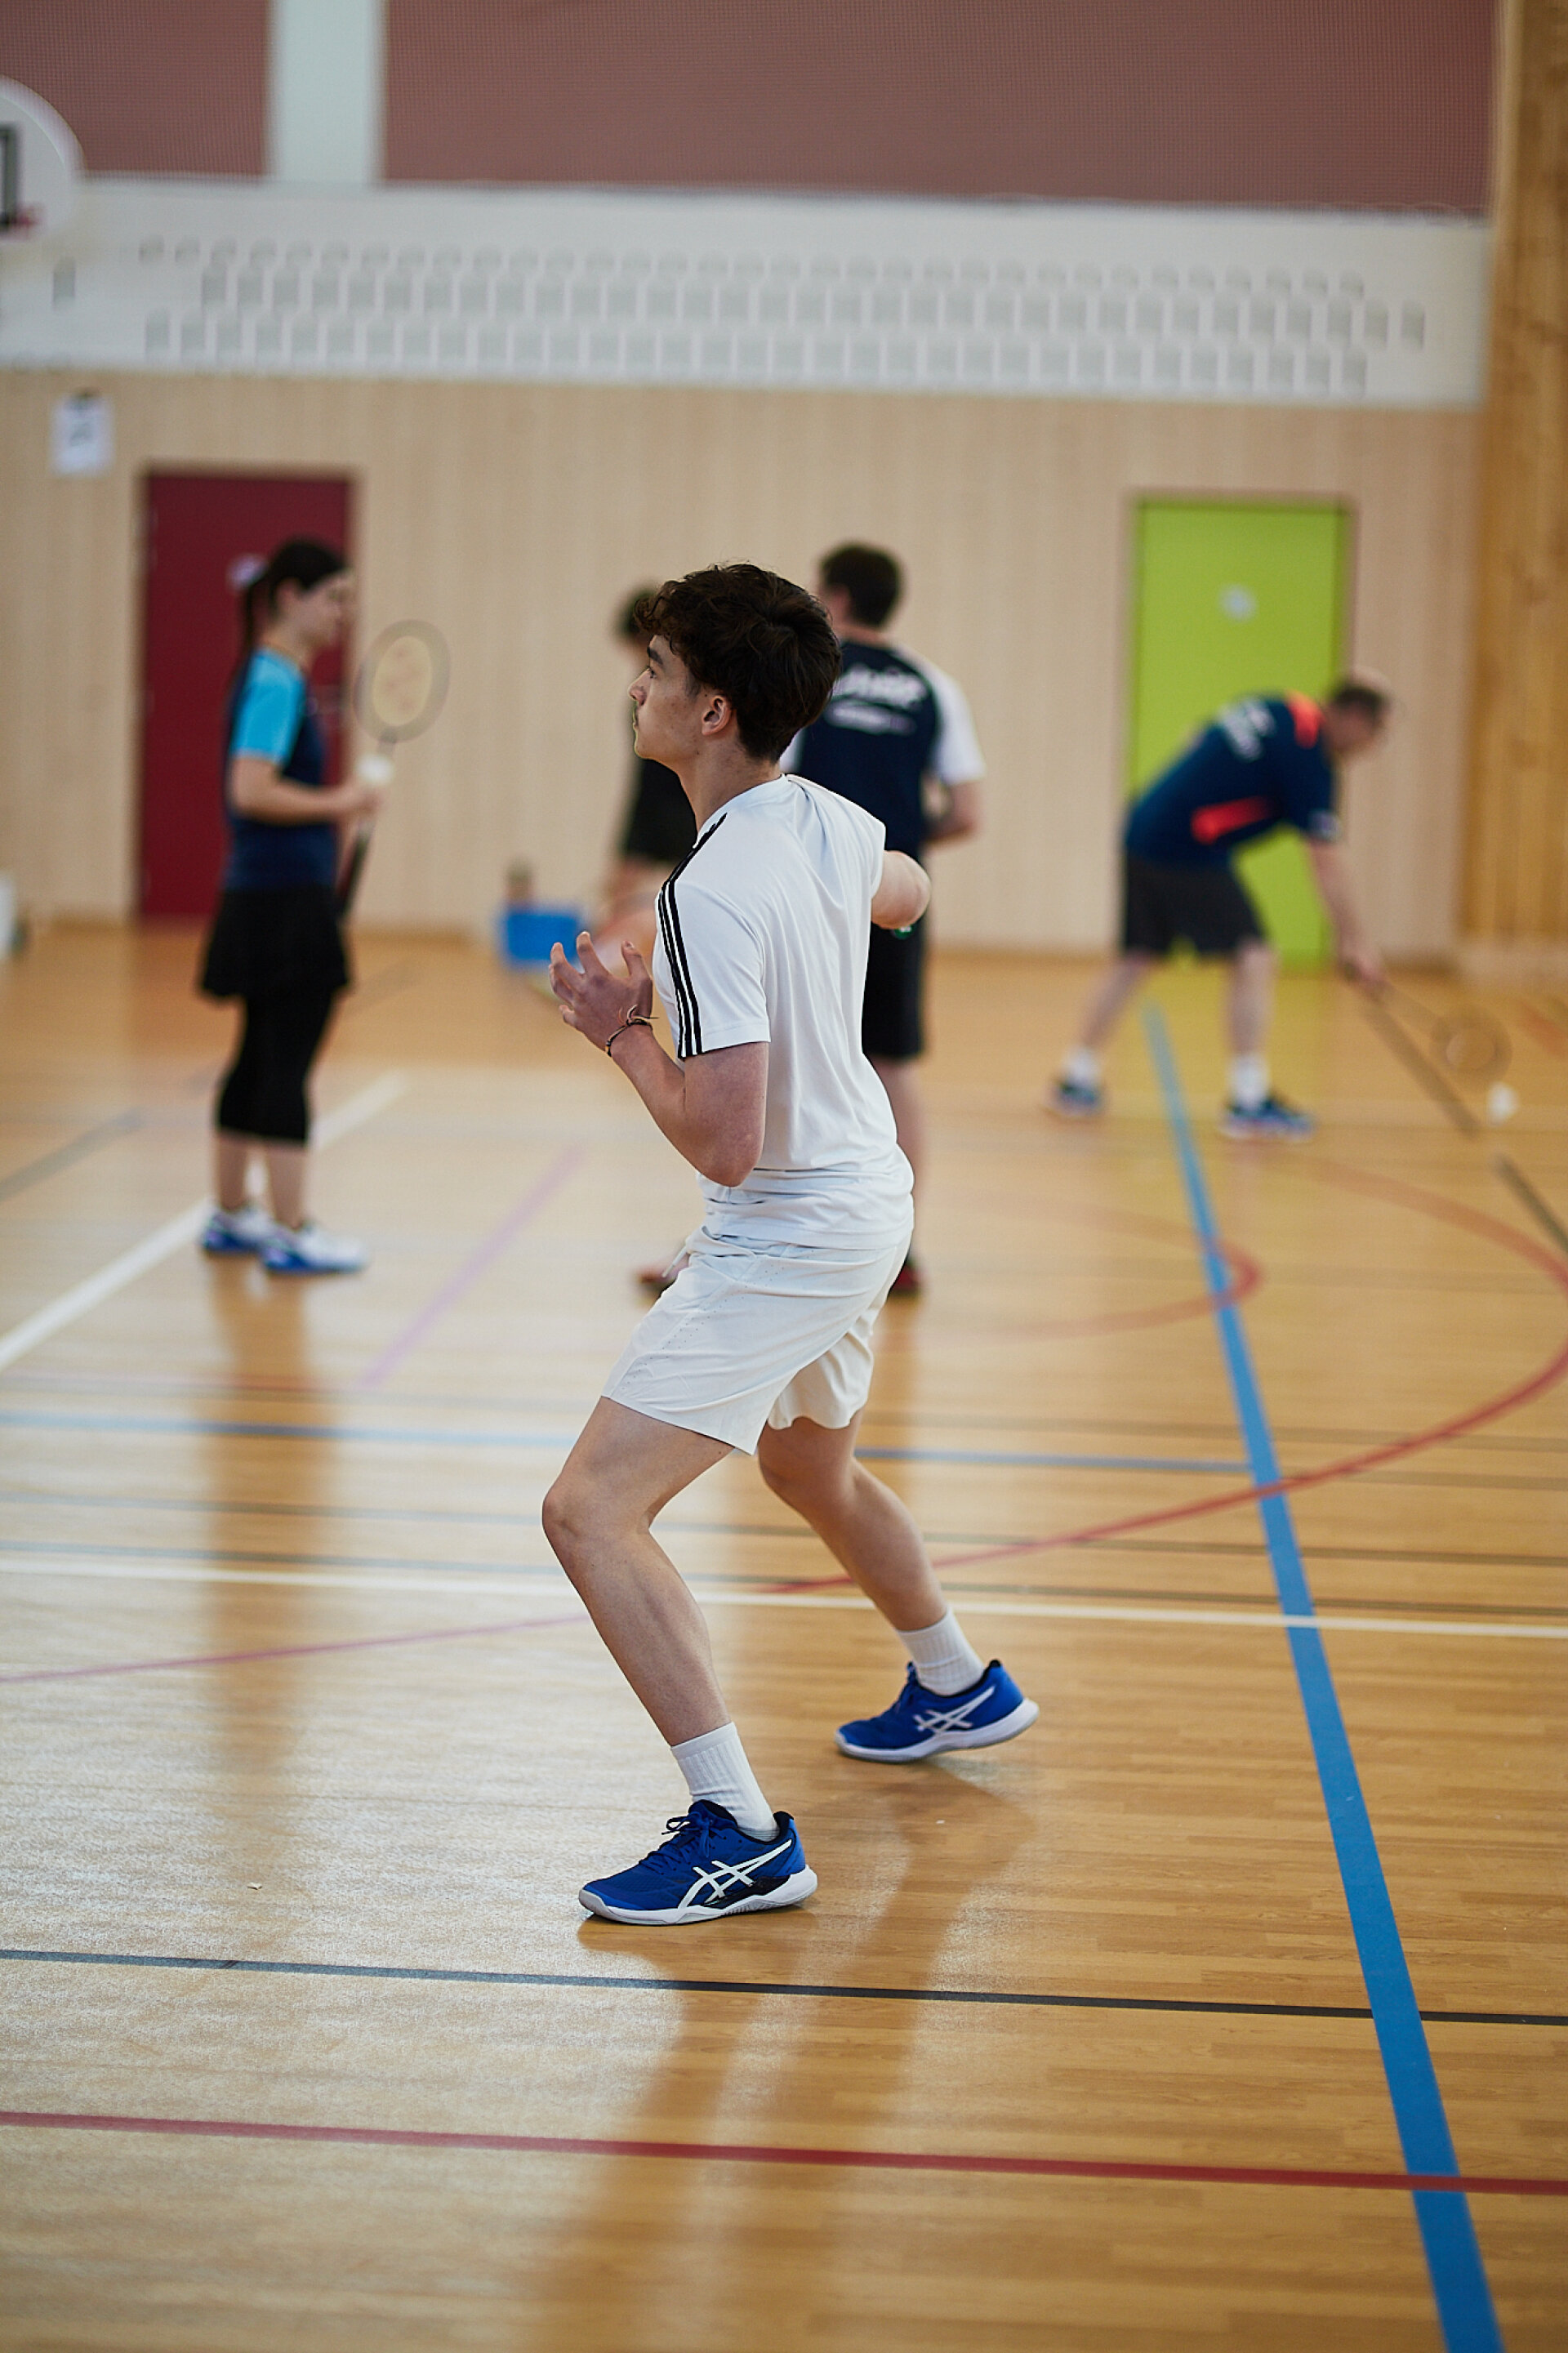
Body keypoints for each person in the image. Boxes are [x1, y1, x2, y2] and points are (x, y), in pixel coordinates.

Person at [545, 564, 1037, 1926]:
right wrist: (838, 912)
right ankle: (956, 1680)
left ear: (710, 710)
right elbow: (908, 889)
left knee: (590, 1512)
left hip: (793, 1226)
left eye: (654, 668)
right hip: (869, 1193)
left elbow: (723, 1144)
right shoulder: (822, 813)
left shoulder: (707, 892)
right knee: (808, 1462)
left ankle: (740, 1831)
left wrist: (617, 1033)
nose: (636, 685)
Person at [1048, 680, 1391, 1136]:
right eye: (1376, 734)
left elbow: (1196, 736)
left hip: (1146, 827)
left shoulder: (1281, 708)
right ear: (1355, 718)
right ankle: (1248, 1100)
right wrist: (1356, 942)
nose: (1374, 747)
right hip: (1186, 847)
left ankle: (1076, 1078)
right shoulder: (1309, 757)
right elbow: (1325, 861)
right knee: (1255, 956)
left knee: (1137, 956)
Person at [783, 544, 984, 1296]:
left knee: (779, 1060)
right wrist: (890, 851)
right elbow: (967, 811)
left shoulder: (807, 675)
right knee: (891, 1066)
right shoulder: (934, 685)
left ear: (834, 598)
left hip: (808, 898)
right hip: (894, 897)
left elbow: (767, 784)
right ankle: (901, 1248)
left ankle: (752, 1239)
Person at [198, 537, 385, 1272]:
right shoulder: (276, 679)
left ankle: (230, 1215)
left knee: (255, 1054)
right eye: (333, 597)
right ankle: (291, 1228)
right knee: (286, 1060)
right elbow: (250, 788)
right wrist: (343, 801)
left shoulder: (269, 673)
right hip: (284, 905)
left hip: (257, 895)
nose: (344, 613)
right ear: (289, 597)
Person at [590, 587, 697, 976]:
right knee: (619, 889)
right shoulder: (644, 690)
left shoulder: (683, 691)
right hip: (653, 803)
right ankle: (596, 965)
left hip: (681, 804)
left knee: (677, 897)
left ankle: (603, 965)